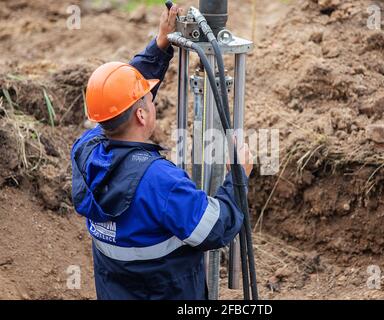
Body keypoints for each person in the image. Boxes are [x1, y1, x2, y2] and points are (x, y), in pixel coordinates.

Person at [70, 4, 253, 300]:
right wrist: (238, 178)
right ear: (142, 116)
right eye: (148, 98)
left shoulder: (85, 151)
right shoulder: (159, 182)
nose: (151, 99)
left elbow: (118, 104)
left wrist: (160, 45)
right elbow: (215, 229)